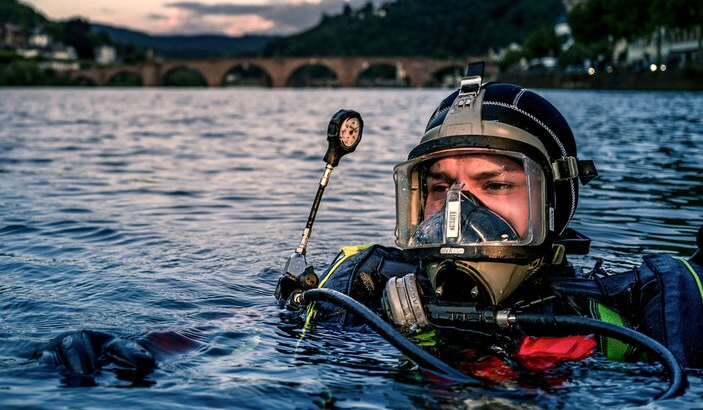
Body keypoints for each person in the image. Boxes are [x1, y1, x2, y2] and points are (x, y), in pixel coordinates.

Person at [275, 62, 703, 373]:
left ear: (553, 201)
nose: (458, 213)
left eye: (496, 185)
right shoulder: (361, 290)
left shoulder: (631, 317)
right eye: (440, 188)